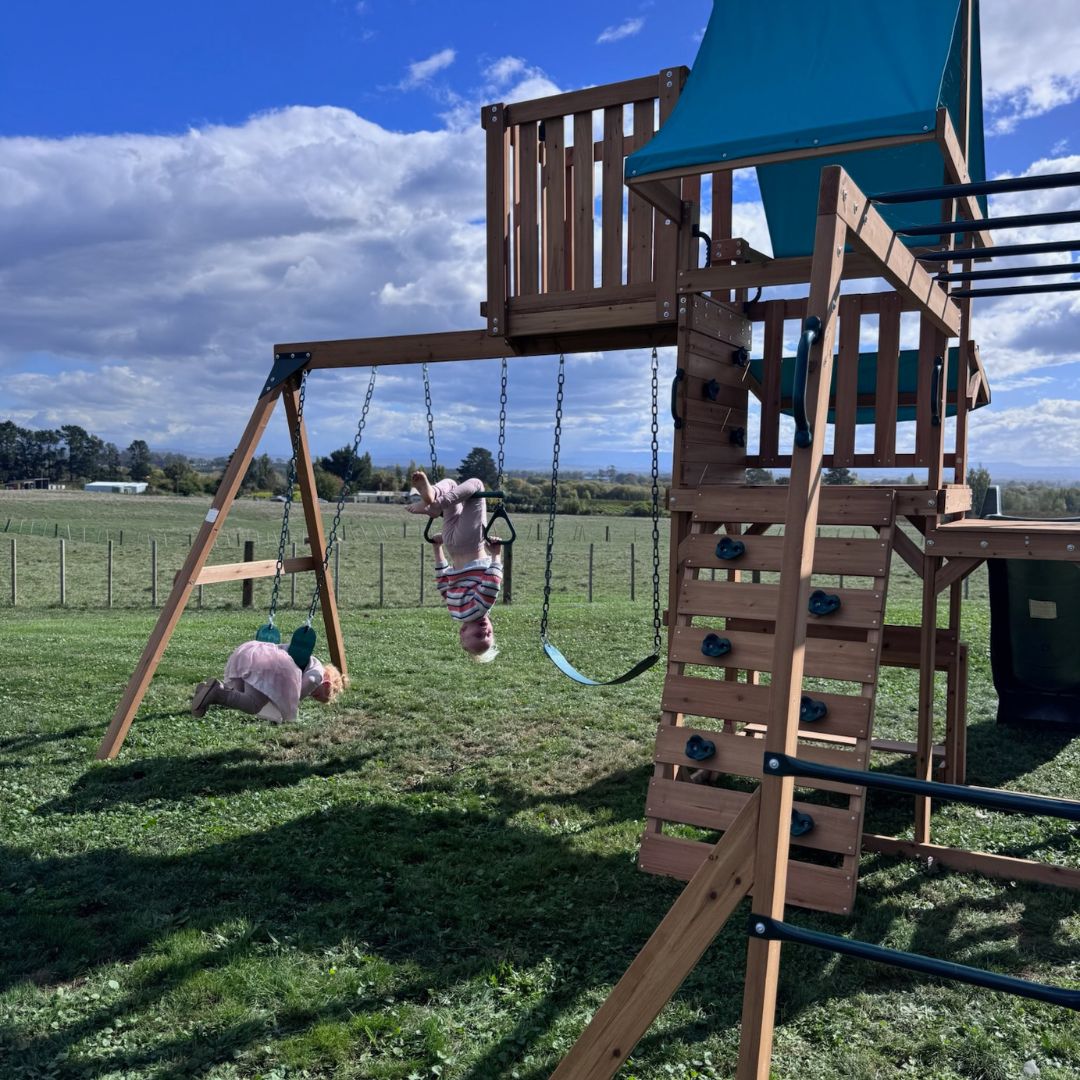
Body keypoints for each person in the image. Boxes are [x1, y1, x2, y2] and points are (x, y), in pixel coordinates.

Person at [408, 470, 502, 661]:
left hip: (470, 543)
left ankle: (435, 505)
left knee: (476, 484)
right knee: (450, 485)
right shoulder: (455, 610)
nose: (485, 630)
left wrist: (496, 555)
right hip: (450, 544)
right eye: (489, 634)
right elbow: (443, 584)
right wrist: (437, 549)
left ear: (463, 631)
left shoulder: (480, 608)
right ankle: (431, 494)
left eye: (478, 635)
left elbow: (493, 582)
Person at [191, 639, 346, 723]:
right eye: (317, 696)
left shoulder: (309, 662)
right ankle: (216, 693)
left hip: (251, 652)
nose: (312, 696)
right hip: (269, 666)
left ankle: (207, 691)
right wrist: (293, 702)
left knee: (240, 695)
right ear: (327, 683)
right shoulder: (317, 674)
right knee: (253, 705)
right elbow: (304, 687)